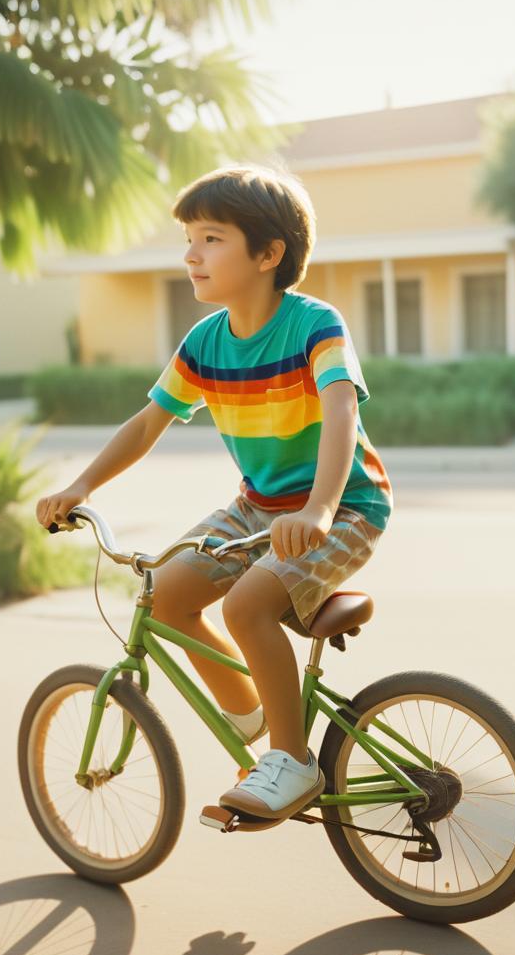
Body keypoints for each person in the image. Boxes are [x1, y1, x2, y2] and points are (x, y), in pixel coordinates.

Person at [36, 164, 393, 824]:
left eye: (210, 238)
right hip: (259, 506)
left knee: (250, 604)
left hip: (343, 506)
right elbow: (148, 423)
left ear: (268, 254)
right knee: (165, 593)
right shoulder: (205, 341)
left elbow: (340, 411)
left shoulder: (314, 324)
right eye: (189, 239)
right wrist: (79, 484)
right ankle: (253, 712)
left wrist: (317, 508)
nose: (190, 254)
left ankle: (292, 761)